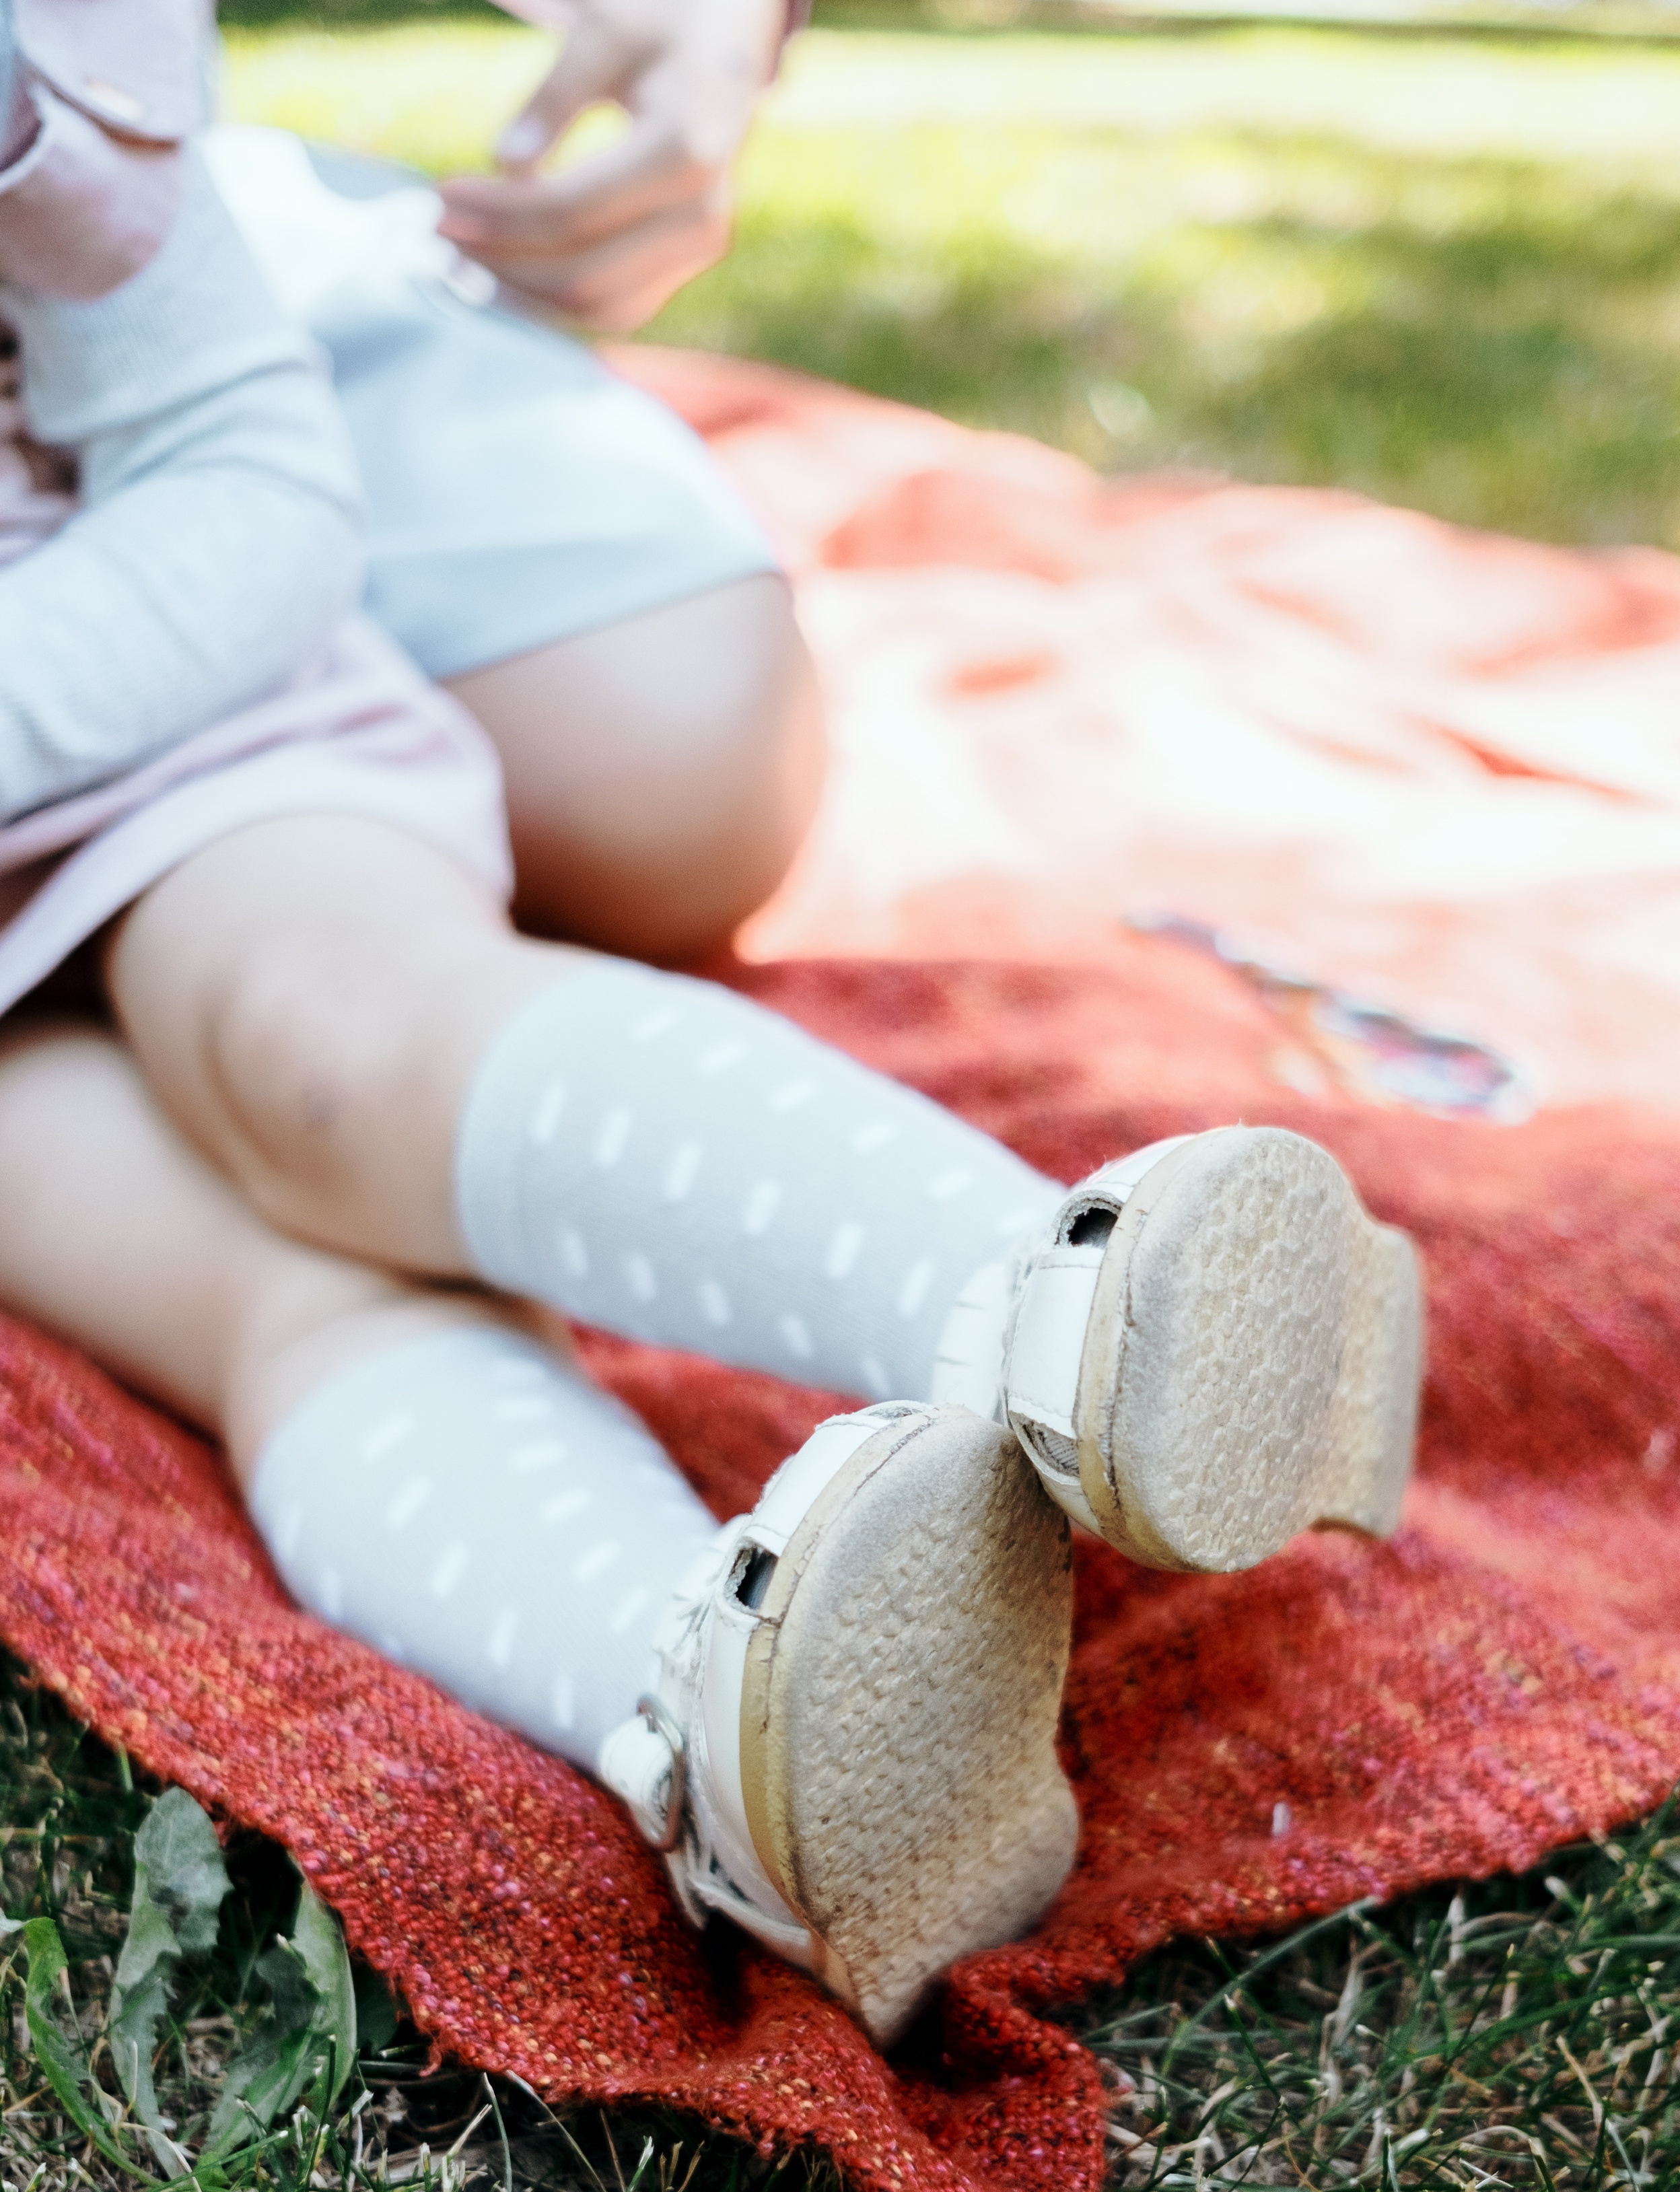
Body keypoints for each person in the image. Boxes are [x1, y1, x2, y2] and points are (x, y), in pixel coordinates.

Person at [0, 0, 1422, 2047]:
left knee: (331, 1049)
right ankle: (713, 1715)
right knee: (270, 1304)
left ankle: (1071, 1311)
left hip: (156, 710)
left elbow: (237, 473)